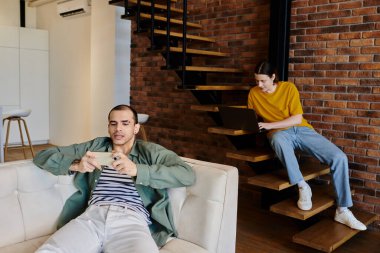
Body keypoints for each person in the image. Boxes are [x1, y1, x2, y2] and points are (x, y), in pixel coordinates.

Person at [33, 104, 196, 252]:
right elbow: (42, 155)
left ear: (136, 128)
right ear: (108, 127)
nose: (118, 129)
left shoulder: (150, 151)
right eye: (113, 123)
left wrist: (137, 170)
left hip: (132, 220)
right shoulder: (96, 147)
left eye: (125, 123)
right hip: (93, 216)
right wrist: (76, 165)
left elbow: (186, 174)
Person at [248, 61, 366, 231]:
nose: (259, 85)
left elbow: (296, 119)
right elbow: (252, 118)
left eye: (263, 81)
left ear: (273, 77)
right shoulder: (254, 93)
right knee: (277, 140)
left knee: (339, 157)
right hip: (280, 134)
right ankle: (302, 186)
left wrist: (268, 125)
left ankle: (343, 210)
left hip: (301, 129)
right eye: (257, 81)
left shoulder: (288, 88)